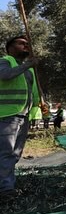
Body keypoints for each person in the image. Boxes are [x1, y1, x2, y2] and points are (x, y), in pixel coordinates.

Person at [0, 36, 40, 198]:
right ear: (10, 48)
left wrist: (38, 111)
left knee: (15, 154)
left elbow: (33, 94)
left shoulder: (29, 70)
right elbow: (4, 75)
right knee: (6, 153)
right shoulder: (5, 61)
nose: (26, 45)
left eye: (27, 44)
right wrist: (28, 65)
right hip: (6, 115)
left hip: (22, 117)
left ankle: (7, 184)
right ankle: (6, 190)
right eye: (21, 43)